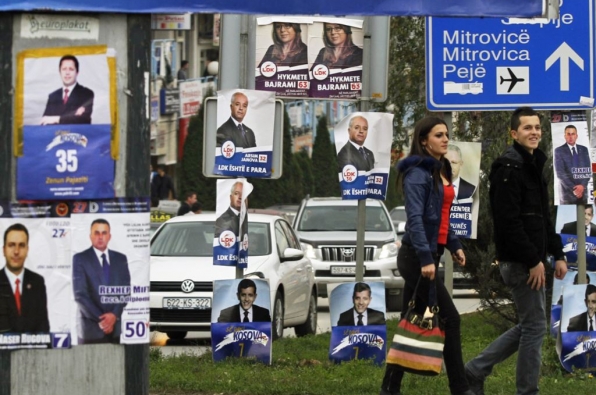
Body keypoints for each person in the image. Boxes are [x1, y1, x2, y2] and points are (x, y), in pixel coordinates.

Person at [465, 107, 568, 395]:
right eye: (527, 128)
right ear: (514, 133)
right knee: (534, 328)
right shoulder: (508, 169)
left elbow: (543, 218)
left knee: (530, 325)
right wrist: (534, 260)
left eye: (537, 127)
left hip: (533, 260)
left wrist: (558, 254)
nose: (534, 132)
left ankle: (475, 370)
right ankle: (525, 390)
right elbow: (508, 223)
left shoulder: (534, 164)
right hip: (521, 262)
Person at [380, 116, 473, 395]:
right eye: (438, 135)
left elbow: (442, 216)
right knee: (451, 319)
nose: (445, 139)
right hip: (415, 258)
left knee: (411, 317)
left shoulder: (441, 168)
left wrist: (454, 244)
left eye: (446, 134)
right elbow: (417, 220)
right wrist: (425, 259)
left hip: (430, 253)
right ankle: (461, 388)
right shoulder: (418, 173)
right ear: (423, 141)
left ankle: (390, 387)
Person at [73, 219, 131, 344]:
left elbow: (125, 291)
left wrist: (114, 316)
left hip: (115, 329)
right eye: (97, 233)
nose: (100, 237)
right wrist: (104, 321)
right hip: (90, 330)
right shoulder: (80, 259)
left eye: (104, 233)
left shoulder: (121, 259)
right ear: (90, 236)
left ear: (109, 236)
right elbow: (80, 295)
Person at [0, 223, 50, 333]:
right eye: (11, 245)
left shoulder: (37, 282)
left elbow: (43, 329)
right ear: (4, 250)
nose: (16, 251)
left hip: (33, 350)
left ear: (27, 250)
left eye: (21, 245)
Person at [41, 55, 94, 125]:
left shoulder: (86, 93)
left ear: (77, 72)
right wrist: (72, 116)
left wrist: (56, 119)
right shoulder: (52, 96)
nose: (67, 73)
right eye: (64, 69)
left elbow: (83, 120)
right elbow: (45, 121)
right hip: (55, 135)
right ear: (60, 72)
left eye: (71, 69)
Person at [554, 125, 591, 204]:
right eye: (568, 134)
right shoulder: (559, 151)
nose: (571, 137)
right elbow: (560, 174)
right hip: (567, 196)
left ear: (576, 136)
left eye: (573, 134)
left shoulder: (584, 149)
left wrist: (582, 187)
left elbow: (588, 170)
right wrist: (574, 189)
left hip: (583, 195)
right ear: (565, 136)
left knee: (582, 214)